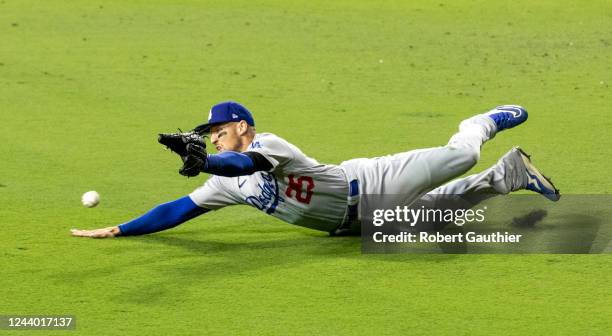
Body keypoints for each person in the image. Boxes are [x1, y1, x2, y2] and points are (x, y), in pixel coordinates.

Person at [71, 101, 560, 238]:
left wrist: (209, 162)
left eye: (218, 128)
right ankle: (511, 174)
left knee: (461, 157)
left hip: (370, 181)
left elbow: (247, 161)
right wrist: (122, 228)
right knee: (447, 210)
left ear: (241, 125)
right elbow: (178, 209)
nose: (212, 135)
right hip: (356, 227)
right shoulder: (225, 183)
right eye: (208, 133)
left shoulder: (269, 145)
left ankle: (480, 123)